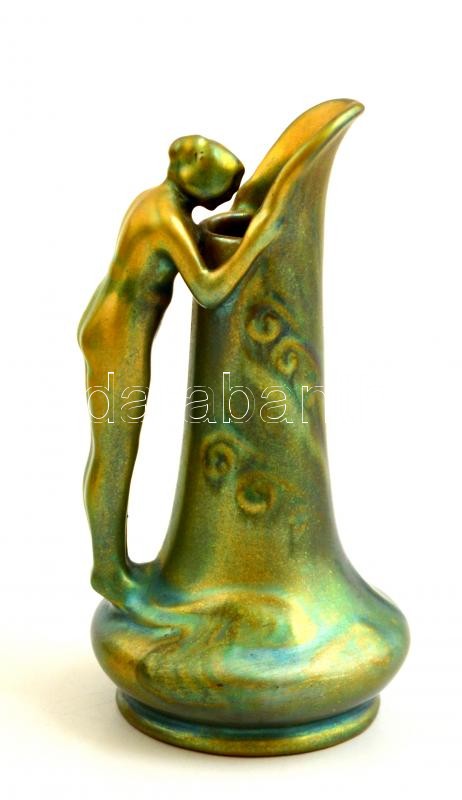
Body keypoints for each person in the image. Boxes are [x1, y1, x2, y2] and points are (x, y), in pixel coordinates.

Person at [78, 135, 278, 609]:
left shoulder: (155, 201)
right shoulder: (166, 219)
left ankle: (110, 566)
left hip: (111, 326)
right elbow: (210, 290)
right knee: (115, 452)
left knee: (114, 452)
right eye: (223, 189)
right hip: (117, 336)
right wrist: (260, 241)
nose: (223, 199)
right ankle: (108, 571)